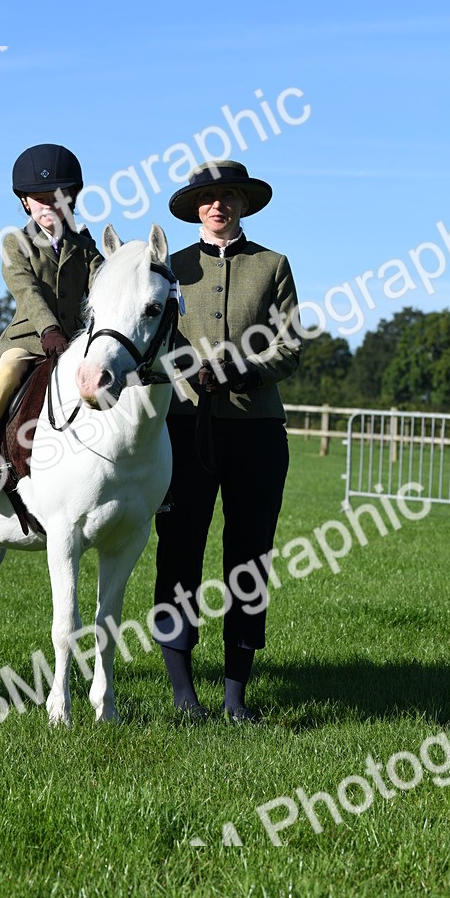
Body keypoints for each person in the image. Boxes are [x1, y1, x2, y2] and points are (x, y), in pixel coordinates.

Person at [153, 160, 303, 721]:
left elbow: (289, 348)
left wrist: (237, 370)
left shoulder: (273, 265)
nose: (219, 204)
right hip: (184, 429)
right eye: (209, 197)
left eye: (229, 195)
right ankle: (183, 694)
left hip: (257, 432)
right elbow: (154, 339)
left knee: (250, 559)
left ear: (244, 202)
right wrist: (188, 369)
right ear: (196, 207)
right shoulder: (170, 268)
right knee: (179, 552)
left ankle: (236, 696)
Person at [0, 143, 103, 491]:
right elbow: (25, 290)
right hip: (28, 340)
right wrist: (49, 328)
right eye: (41, 199)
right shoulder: (14, 242)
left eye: (59, 196)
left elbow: (102, 288)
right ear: (25, 202)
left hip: (75, 341)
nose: (50, 205)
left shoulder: (85, 248)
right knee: (6, 373)